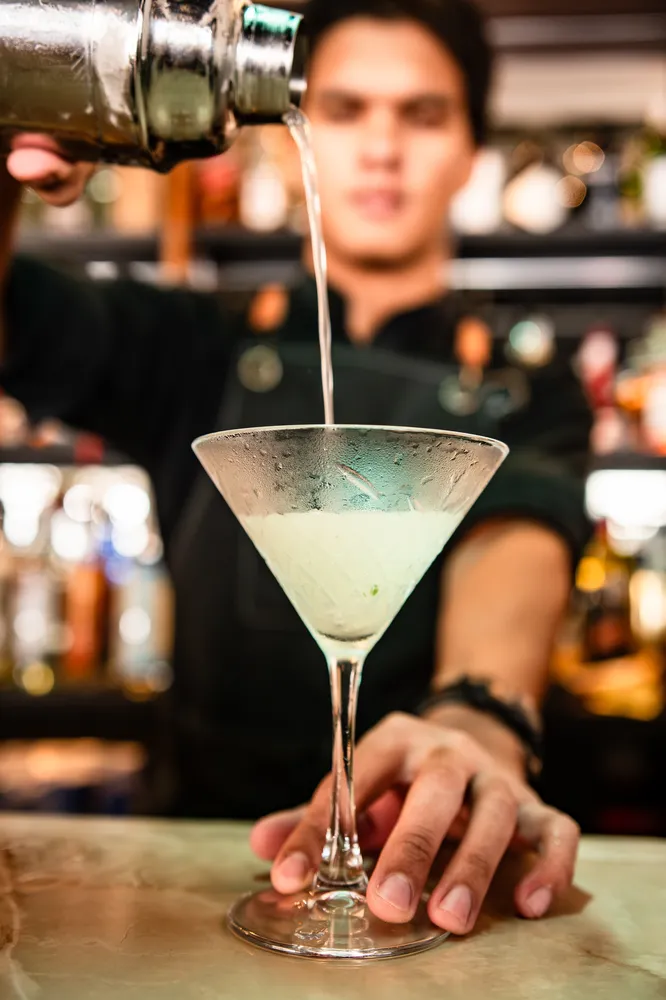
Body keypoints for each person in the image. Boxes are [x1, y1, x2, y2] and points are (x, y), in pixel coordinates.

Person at [0, 0, 591, 936]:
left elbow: (517, 536)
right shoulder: (192, 347)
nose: (382, 147)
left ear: (473, 147)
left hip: (423, 876)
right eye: (346, 109)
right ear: (288, 136)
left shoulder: (527, 384)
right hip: (185, 882)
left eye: (423, 114)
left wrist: (478, 721)